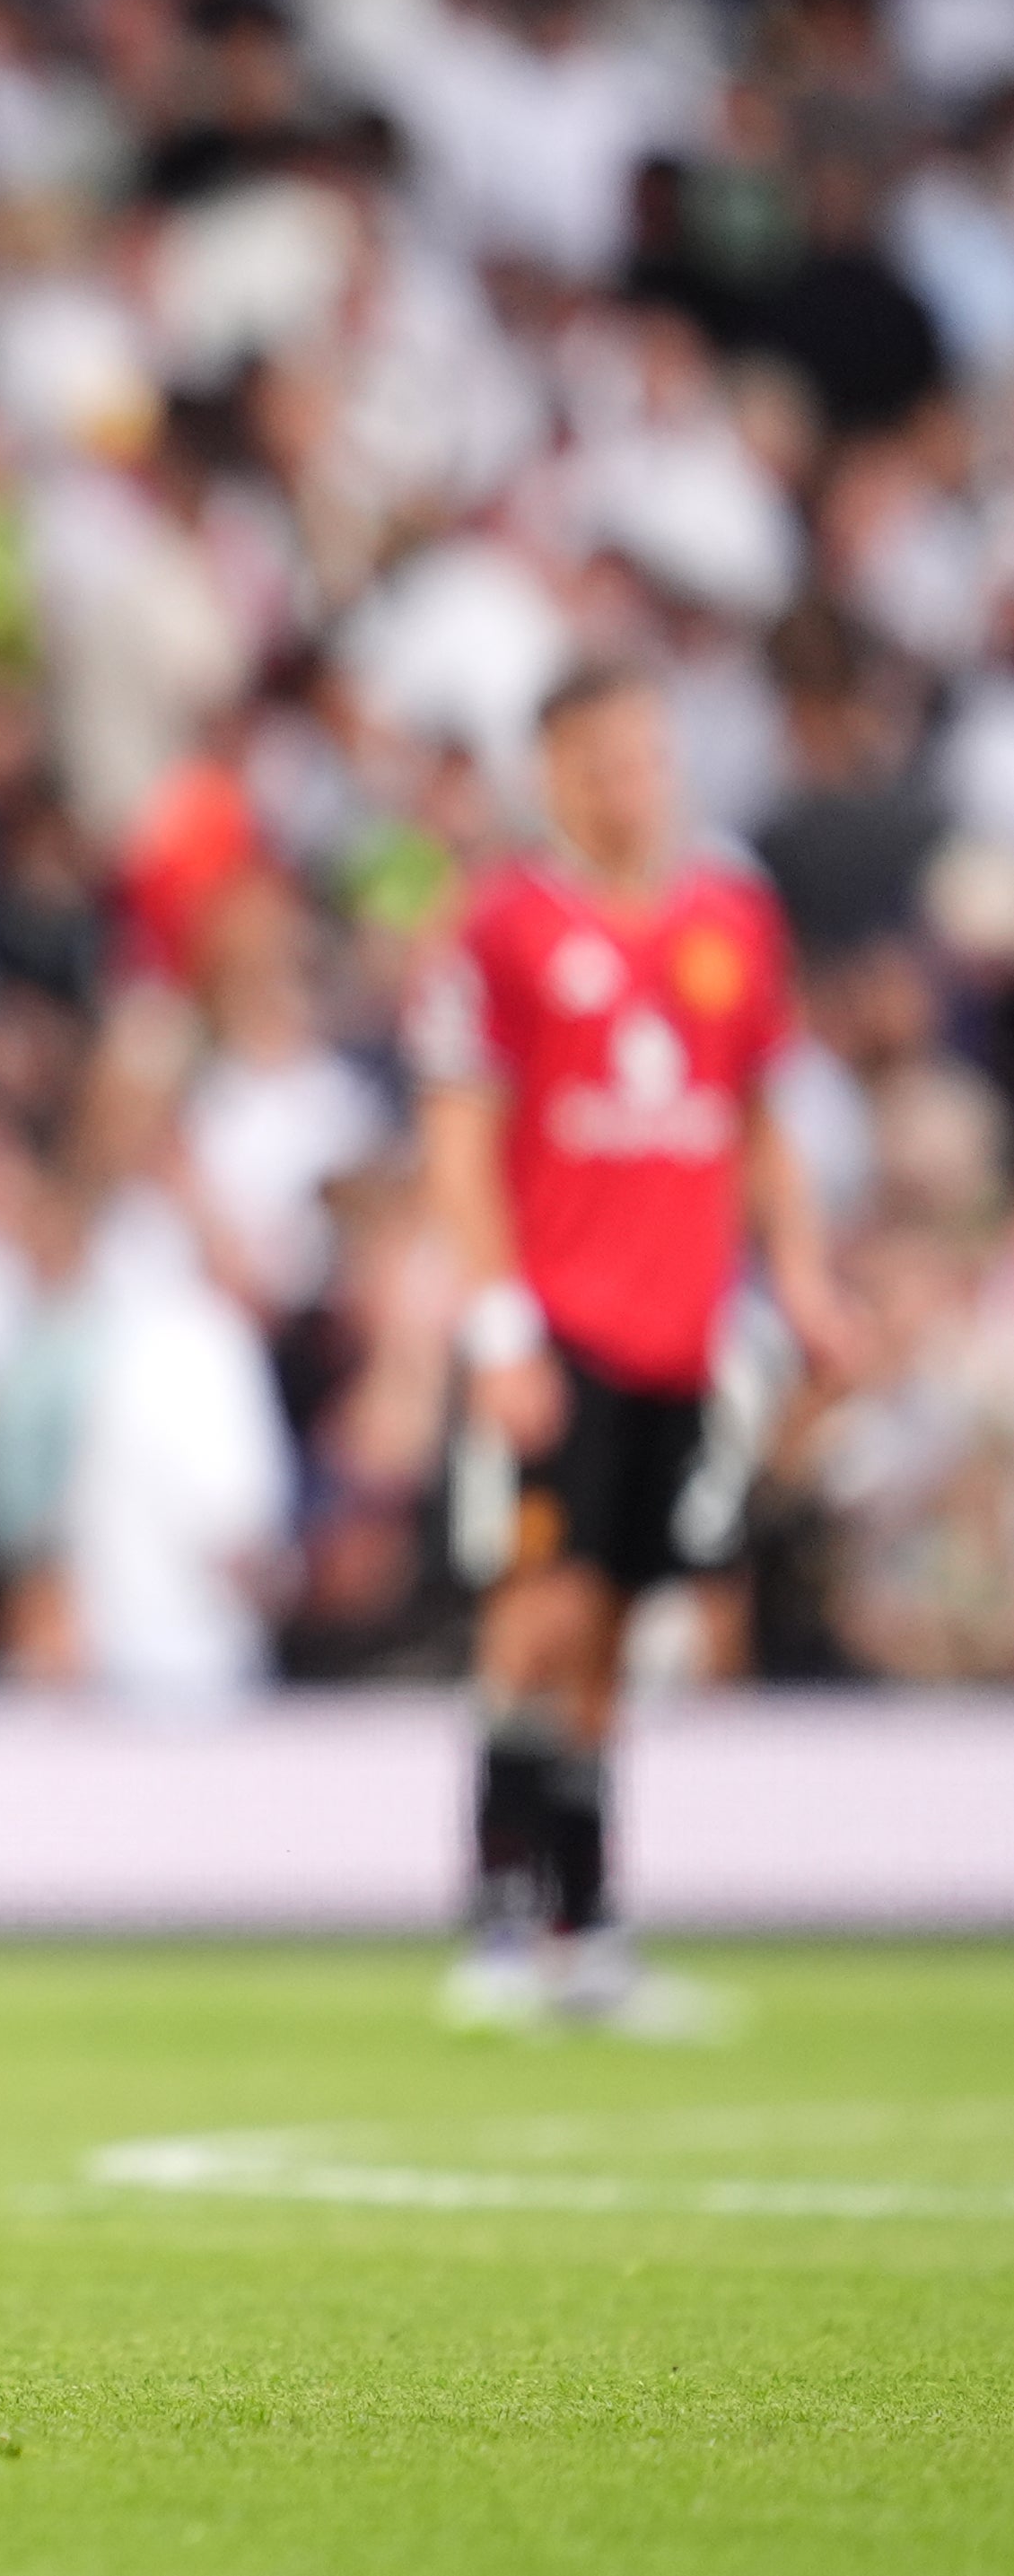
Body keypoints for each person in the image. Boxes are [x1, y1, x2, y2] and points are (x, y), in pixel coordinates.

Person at [415, 661, 846, 2038]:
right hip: (559, 1328)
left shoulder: (728, 918)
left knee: (613, 1628)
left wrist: (800, 1276)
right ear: (553, 772)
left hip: (683, 1330)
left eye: (647, 758)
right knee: (535, 1609)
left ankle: (585, 1923)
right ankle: (496, 1910)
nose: (630, 787)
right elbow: (459, 1137)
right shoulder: (504, 926)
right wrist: (497, 1325)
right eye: (602, 762)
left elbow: (759, 1114)